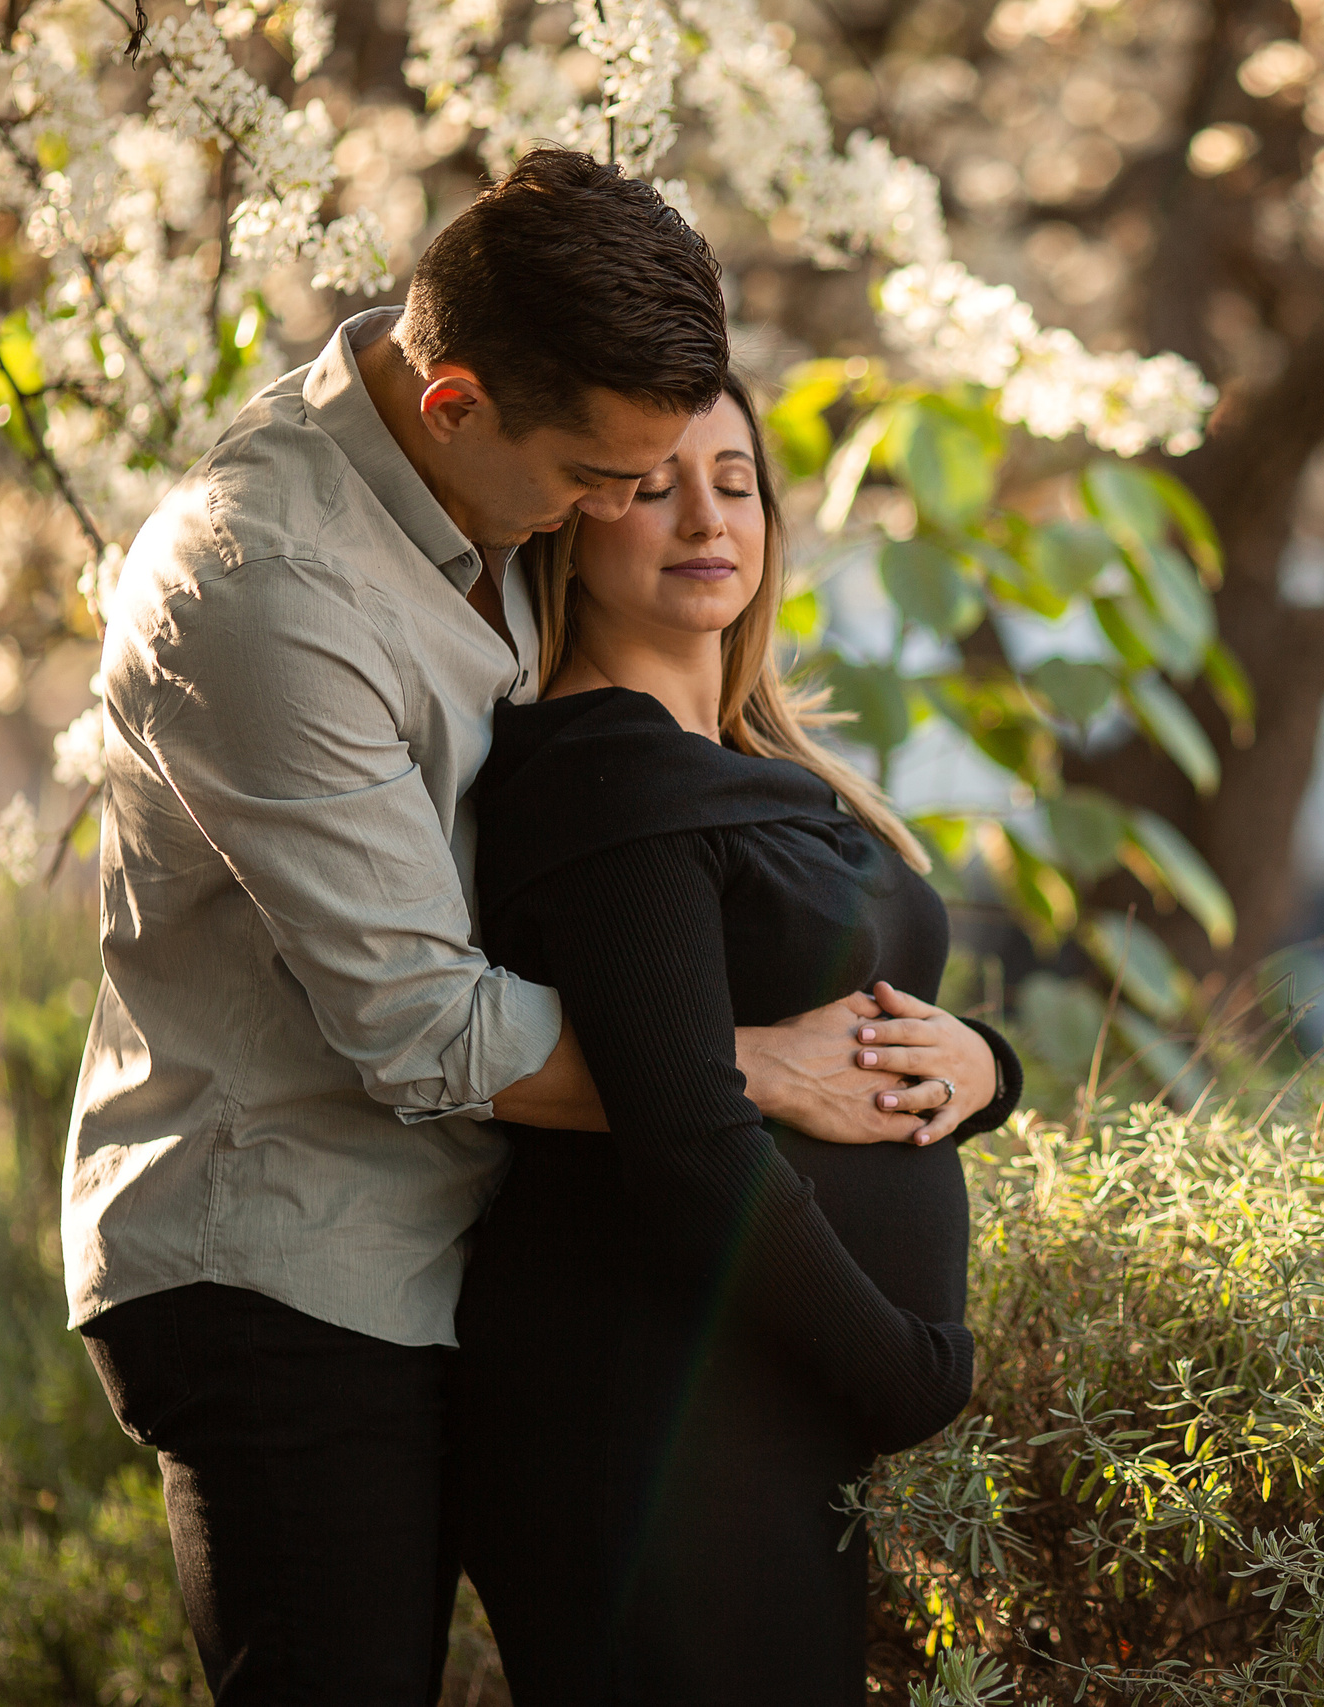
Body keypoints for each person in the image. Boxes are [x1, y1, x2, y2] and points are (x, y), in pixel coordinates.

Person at [64, 150, 1001, 1703]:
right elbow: (420, 1020)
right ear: (456, 407)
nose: (616, 517)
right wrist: (744, 1070)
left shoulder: (486, 480)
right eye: (598, 484)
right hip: (289, 1264)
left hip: (460, 1247)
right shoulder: (268, 588)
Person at [453, 376, 1022, 1703]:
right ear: (571, 522)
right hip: (650, 1412)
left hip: (758, 1404)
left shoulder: (765, 763)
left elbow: (872, 1017)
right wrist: (898, 1368)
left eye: (736, 480)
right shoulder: (605, 770)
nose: (708, 517)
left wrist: (989, 1068)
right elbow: (688, 1139)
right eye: (653, 485)